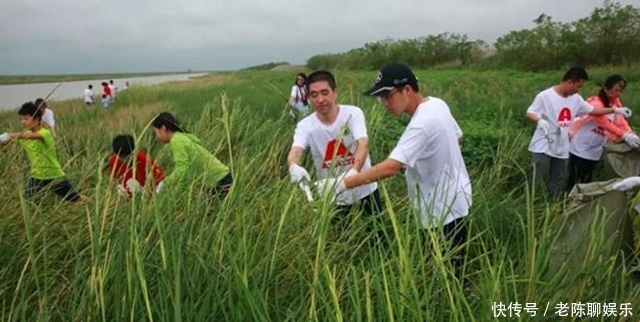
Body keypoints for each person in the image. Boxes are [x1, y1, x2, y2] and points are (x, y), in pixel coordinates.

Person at [316, 63, 472, 276]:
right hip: (457, 196)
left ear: (407, 90)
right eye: (380, 98)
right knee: (453, 262)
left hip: (441, 209)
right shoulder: (436, 104)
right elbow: (457, 136)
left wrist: (339, 184)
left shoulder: (422, 123)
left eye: (387, 96)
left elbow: (390, 167)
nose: (384, 103)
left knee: (445, 274)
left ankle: (455, 304)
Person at [287, 70, 382, 236]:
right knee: (340, 239)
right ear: (309, 98)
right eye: (314, 95)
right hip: (333, 193)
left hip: (364, 186)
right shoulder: (305, 126)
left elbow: (363, 143)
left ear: (335, 93)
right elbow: (296, 150)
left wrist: (353, 173)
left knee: (377, 235)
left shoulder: (353, 113)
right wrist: (293, 166)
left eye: (325, 93)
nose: (320, 99)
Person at [525, 66, 633, 201]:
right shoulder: (545, 96)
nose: (578, 90)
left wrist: (615, 111)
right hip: (543, 144)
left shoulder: (575, 99)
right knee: (537, 175)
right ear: (570, 82)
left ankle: (553, 205)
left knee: (558, 178)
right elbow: (530, 113)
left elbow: (593, 110)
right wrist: (539, 120)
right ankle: (529, 202)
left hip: (562, 146)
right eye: (578, 86)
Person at [0, 102, 88, 204]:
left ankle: (91, 205)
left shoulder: (45, 133)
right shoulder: (24, 135)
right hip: (37, 176)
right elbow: (8, 143)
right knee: (28, 202)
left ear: (37, 119)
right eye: (22, 119)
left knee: (74, 198)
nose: (23, 122)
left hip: (54, 175)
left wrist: (8, 135)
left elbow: (29, 136)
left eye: (26, 119)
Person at [566, 74, 638, 190]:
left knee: (587, 179)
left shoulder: (615, 104)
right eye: (616, 90)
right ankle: (567, 201)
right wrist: (623, 135)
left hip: (596, 148)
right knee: (576, 178)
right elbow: (602, 121)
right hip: (581, 147)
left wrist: (630, 133)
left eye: (621, 91)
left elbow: (620, 121)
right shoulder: (595, 103)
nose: (618, 94)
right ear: (606, 88)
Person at [150, 112, 233, 202]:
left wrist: (164, 183)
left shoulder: (177, 141)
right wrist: (176, 196)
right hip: (219, 180)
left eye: (156, 132)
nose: (156, 137)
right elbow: (185, 174)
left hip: (219, 182)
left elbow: (181, 170)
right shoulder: (181, 138)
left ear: (163, 128)